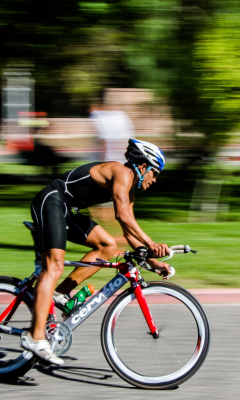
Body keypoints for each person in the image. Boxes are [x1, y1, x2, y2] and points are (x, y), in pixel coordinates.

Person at [20, 138, 170, 365]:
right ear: (142, 166)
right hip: (51, 201)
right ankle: (35, 337)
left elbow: (128, 230)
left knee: (107, 245)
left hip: (65, 210)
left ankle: (60, 293)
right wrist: (151, 243)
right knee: (54, 266)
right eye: (154, 172)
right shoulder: (122, 173)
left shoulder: (129, 189)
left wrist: (151, 259)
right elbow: (123, 217)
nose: (155, 179)